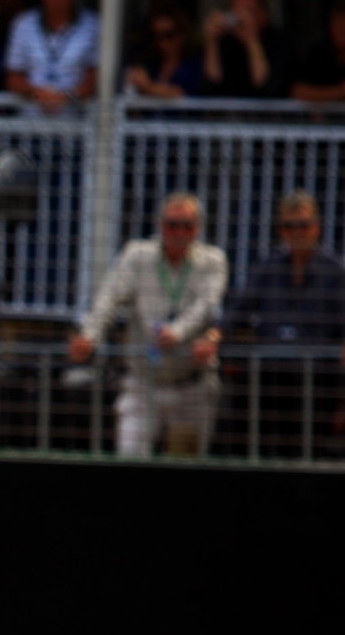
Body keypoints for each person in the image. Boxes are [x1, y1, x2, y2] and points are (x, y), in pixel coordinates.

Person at [70, 193, 228, 458]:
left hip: (191, 384)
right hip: (144, 383)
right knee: (130, 456)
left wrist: (176, 333)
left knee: (185, 464)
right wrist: (89, 336)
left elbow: (206, 307)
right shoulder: (137, 255)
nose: (179, 232)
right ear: (159, 225)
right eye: (172, 224)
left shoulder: (212, 260)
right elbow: (108, 299)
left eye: (187, 225)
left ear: (198, 228)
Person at [223, 191, 345, 458]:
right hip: (270, 381)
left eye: (303, 225)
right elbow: (237, 311)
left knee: (311, 456)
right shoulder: (267, 270)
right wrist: (215, 336)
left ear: (316, 227)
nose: (297, 233)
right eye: (289, 226)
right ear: (281, 230)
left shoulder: (336, 272)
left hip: (318, 383)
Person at [3, 0, 98, 113]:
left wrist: (65, 97)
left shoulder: (94, 25)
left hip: (77, 122)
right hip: (30, 122)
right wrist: (38, 93)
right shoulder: (23, 23)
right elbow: (13, 78)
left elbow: (96, 79)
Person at [197, 0, 286, 98]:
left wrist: (252, 42)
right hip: (227, 112)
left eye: (248, 11)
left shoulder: (278, 42)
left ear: (264, 14)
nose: (241, 18)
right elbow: (209, 87)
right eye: (236, 11)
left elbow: (267, 88)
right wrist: (211, 41)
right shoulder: (225, 41)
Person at [124, 8, 200, 99]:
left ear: (182, 35)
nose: (162, 42)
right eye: (156, 36)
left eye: (168, 35)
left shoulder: (193, 64)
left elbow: (179, 93)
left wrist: (147, 86)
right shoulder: (150, 64)